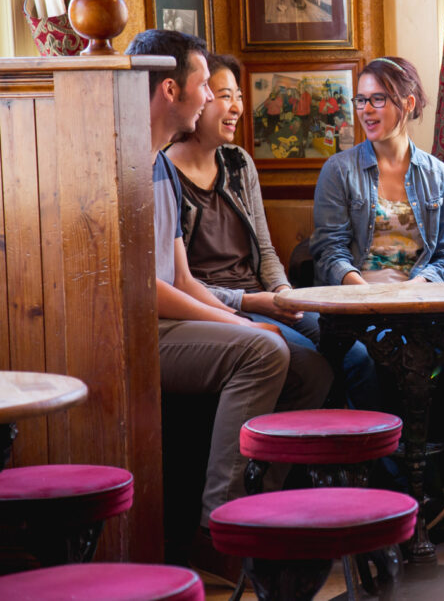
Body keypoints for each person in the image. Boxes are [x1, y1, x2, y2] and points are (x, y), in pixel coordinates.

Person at [125, 30, 329, 532]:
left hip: (173, 315)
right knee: (264, 350)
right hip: (132, 330)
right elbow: (145, 290)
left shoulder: (159, 164)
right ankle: (223, 522)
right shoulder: (125, 162)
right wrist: (242, 323)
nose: (212, 100)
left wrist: (244, 317)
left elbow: (181, 277)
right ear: (171, 90)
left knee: (311, 367)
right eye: (206, 87)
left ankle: (264, 501)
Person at [163, 53, 371, 409]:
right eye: (225, 96)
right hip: (216, 306)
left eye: (239, 96)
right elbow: (178, 282)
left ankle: (372, 444)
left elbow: (265, 249)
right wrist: (252, 303)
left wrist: (284, 292)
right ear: (200, 99)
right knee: (311, 363)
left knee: (357, 354)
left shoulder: (239, 162)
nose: (237, 107)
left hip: (264, 297)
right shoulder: (164, 172)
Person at [310, 56, 444, 393]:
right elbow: (329, 251)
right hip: (354, 308)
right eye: (361, 100)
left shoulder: (439, 176)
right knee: (367, 360)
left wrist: (415, 288)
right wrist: (369, 296)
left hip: (420, 306)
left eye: (378, 99)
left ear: (407, 103)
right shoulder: (339, 170)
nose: (366, 110)